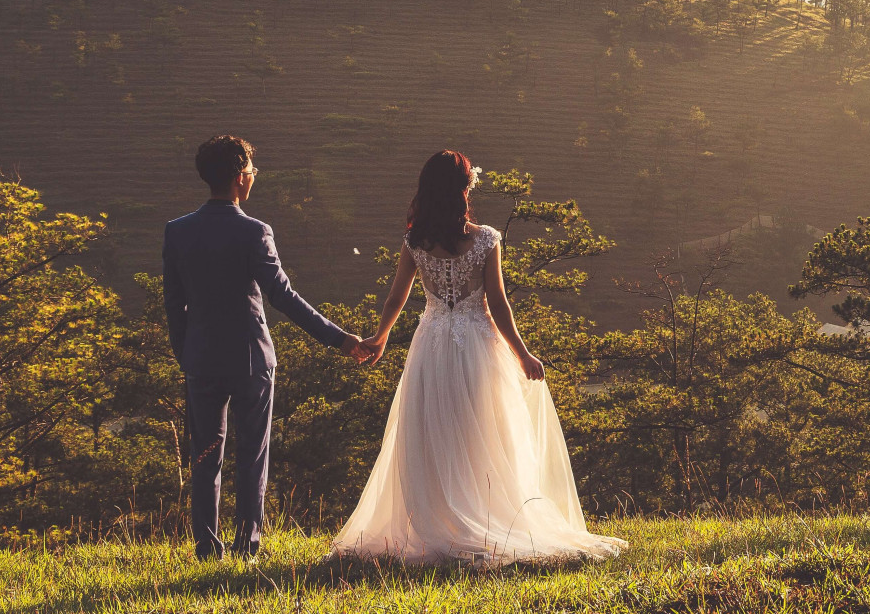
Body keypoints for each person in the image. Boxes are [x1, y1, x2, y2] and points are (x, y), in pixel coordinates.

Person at [331, 150, 626, 565]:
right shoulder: (486, 238)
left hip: (431, 344)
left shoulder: (416, 242)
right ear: (464, 190)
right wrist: (521, 354)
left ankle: (441, 519)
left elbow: (396, 296)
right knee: (485, 431)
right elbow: (498, 304)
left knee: (436, 432)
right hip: (477, 345)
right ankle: (485, 515)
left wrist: (380, 338)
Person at [164, 135, 365, 561]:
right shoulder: (255, 231)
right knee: (252, 455)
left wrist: (187, 355)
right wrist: (340, 338)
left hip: (200, 359)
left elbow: (173, 304)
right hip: (250, 359)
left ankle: (206, 548)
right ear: (241, 178)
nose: (254, 177)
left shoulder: (177, 231)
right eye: (252, 171)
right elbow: (283, 296)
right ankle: (246, 547)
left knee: (205, 456)